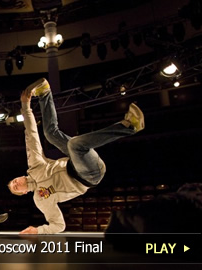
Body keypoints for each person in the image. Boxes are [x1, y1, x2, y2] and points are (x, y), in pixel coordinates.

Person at [8, 78, 145, 234]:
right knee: (75, 145)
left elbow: (31, 134)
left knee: (50, 134)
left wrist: (25, 107)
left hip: (75, 161)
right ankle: (130, 126)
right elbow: (59, 225)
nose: (16, 184)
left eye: (14, 182)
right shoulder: (40, 200)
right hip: (88, 176)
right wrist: (39, 230)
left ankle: (44, 92)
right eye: (15, 189)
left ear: (19, 176)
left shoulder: (35, 165)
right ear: (23, 193)